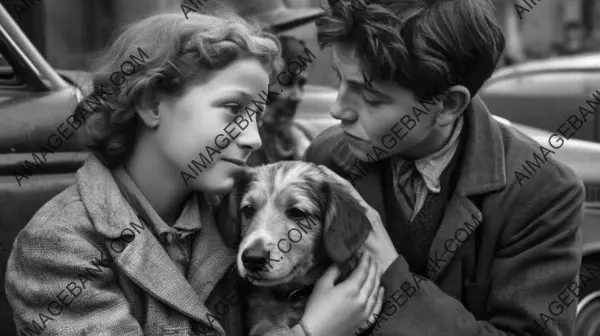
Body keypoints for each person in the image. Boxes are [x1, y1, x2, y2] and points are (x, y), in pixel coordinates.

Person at [5, 9, 382, 336]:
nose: (252, 137)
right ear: (152, 103)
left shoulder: (231, 210)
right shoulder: (58, 248)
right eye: (233, 108)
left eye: (257, 116)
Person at [305, 0, 584, 335]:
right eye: (340, 78)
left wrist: (391, 276)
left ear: (448, 105)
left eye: (372, 97)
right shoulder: (326, 159)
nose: (338, 109)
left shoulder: (543, 192)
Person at [247, 34, 314, 166]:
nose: (297, 96)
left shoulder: (306, 137)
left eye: (301, 84)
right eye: (288, 82)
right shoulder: (244, 143)